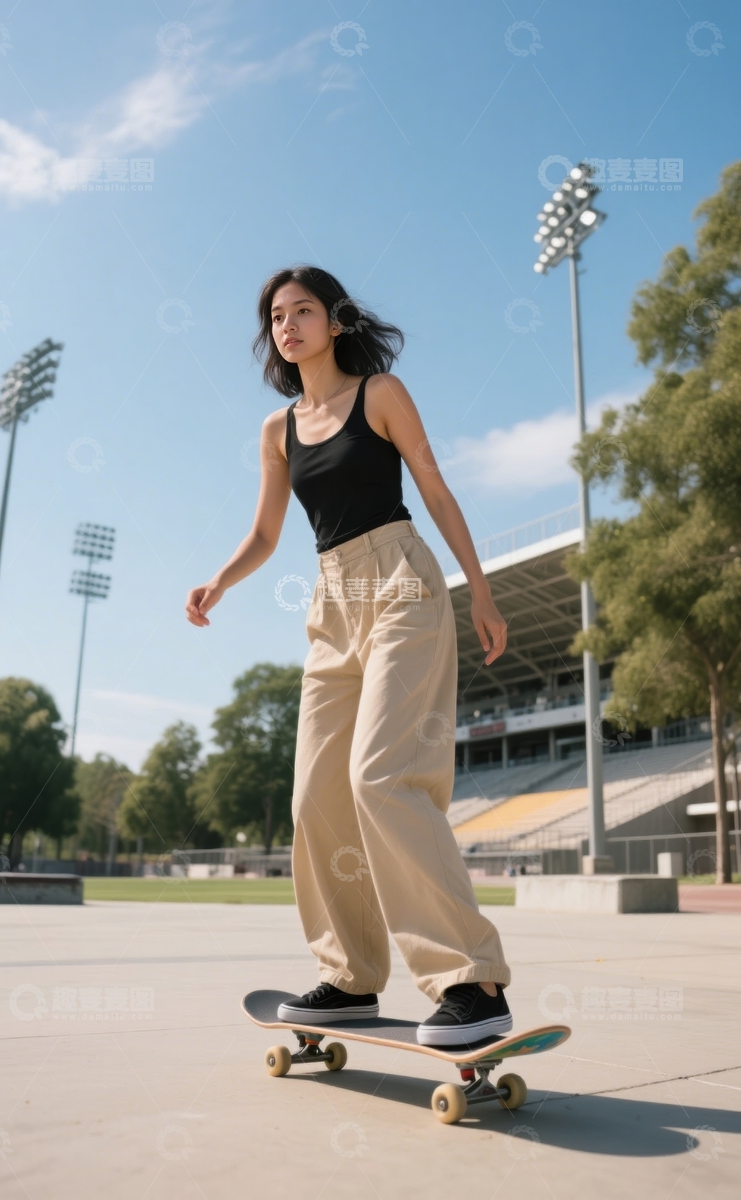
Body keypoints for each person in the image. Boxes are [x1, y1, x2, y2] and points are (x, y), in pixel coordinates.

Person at [185, 265, 512, 1046]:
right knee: (316, 797)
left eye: (302, 311)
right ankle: (349, 976)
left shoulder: (381, 394)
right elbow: (266, 533)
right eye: (276, 317)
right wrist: (219, 581)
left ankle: (472, 980)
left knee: (382, 777)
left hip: (400, 580)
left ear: (334, 321)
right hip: (331, 601)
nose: (287, 325)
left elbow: (434, 490)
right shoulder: (277, 430)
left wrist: (481, 590)